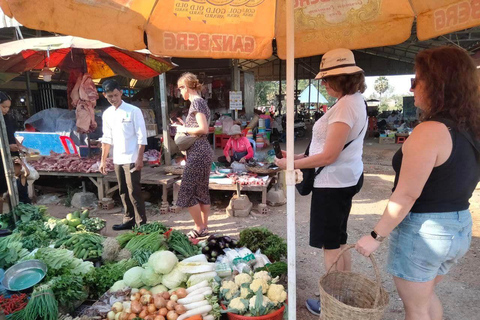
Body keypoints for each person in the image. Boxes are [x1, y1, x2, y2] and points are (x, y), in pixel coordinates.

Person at [356, 46, 480, 320]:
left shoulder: (430, 131)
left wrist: (375, 236)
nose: (412, 89)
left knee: (416, 307)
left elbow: (407, 194)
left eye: (416, 80)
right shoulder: (470, 126)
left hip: (425, 232)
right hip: (458, 227)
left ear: (437, 84)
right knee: (425, 299)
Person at [275, 48, 367, 316]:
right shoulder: (354, 100)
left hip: (333, 183)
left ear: (342, 79)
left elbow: (328, 155)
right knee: (339, 239)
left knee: (330, 244)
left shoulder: (346, 106)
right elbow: (325, 147)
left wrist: (290, 164)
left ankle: (330, 301)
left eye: (327, 80)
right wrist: (295, 156)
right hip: (345, 178)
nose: (323, 84)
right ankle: (344, 293)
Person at [99, 80, 147, 230]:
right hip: (117, 158)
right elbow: (107, 139)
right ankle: (129, 220)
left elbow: (142, 136)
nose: (113, 99)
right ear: (104, 95)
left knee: (134, 192)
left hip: (132, 158)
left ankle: (141, 224)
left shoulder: (133, 111)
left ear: (121, 93)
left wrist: (140, 159)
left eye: (115, 95)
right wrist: (103, 161)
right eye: (109, 97)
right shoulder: (107, 114)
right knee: (123, 191)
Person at [173, 72, 213, 239]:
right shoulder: (200, 102)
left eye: (180, 89)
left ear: (186, 88)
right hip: (203, 152)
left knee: (188, 191)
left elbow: (203, 129)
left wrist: (183, 129)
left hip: (198, 153)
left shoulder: (196, 103)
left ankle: (198, 227)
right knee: (201, 190)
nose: (180, 93)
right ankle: (204, 227)